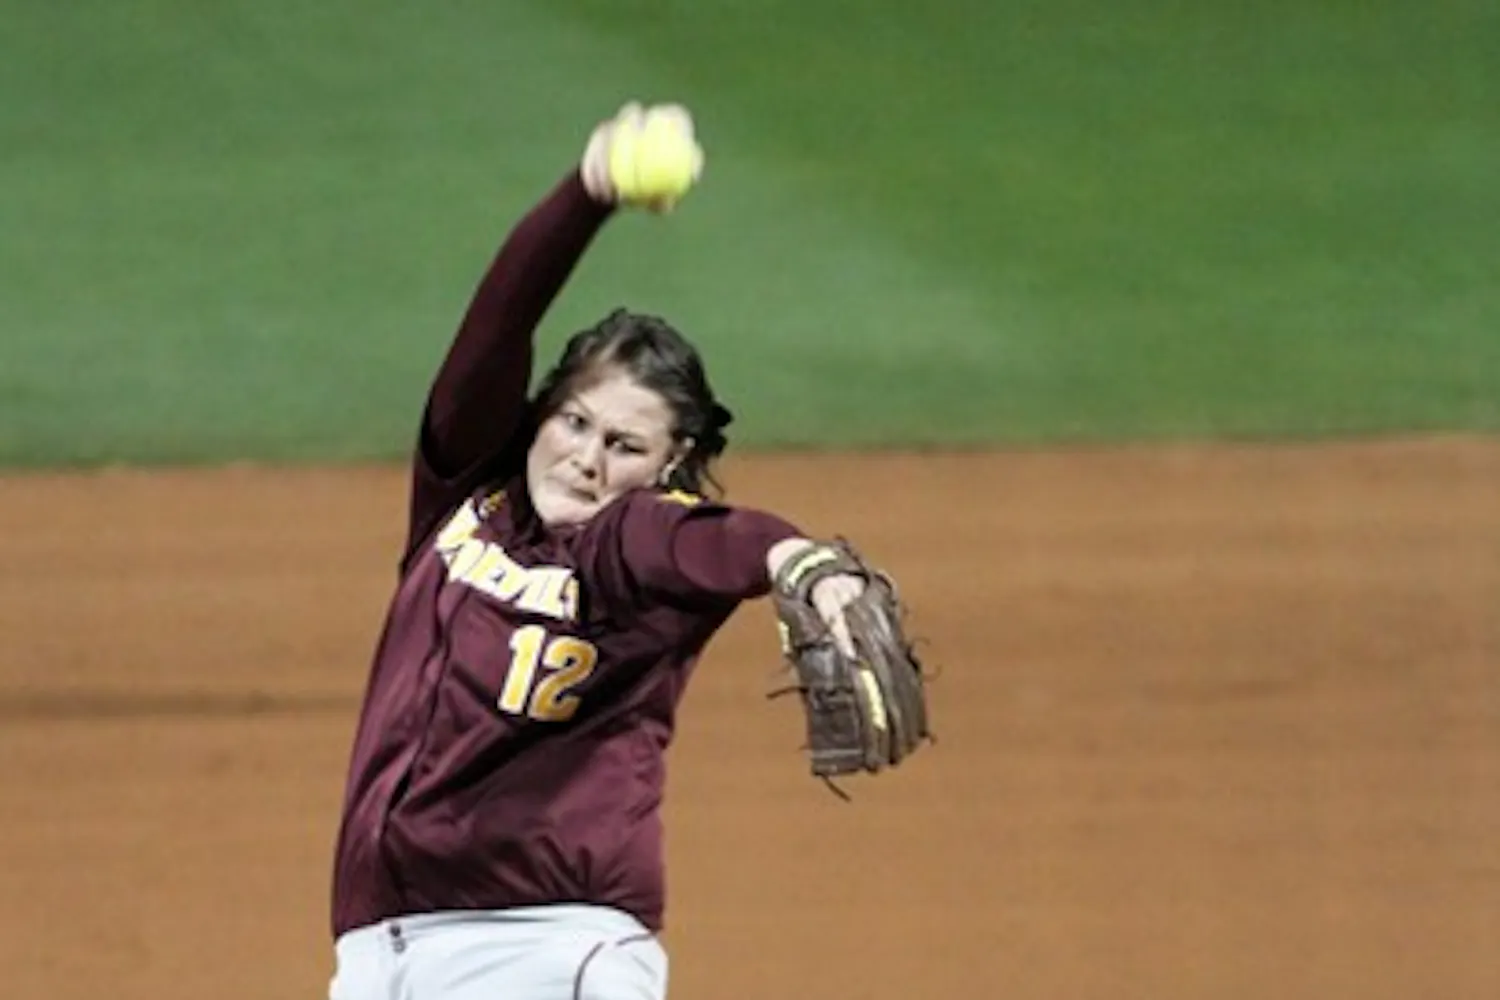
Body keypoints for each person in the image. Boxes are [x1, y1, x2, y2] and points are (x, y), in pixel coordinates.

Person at [324, 102, 885, 1000]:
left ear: (670, 467)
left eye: (625, 446)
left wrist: (800, 567)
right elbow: (494, 331)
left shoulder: (631, 544)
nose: (586, 458)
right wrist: (585, 193)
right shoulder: (463, 495)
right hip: (381, 955)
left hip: (550, 950)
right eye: (575, 422)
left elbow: (719, 543)